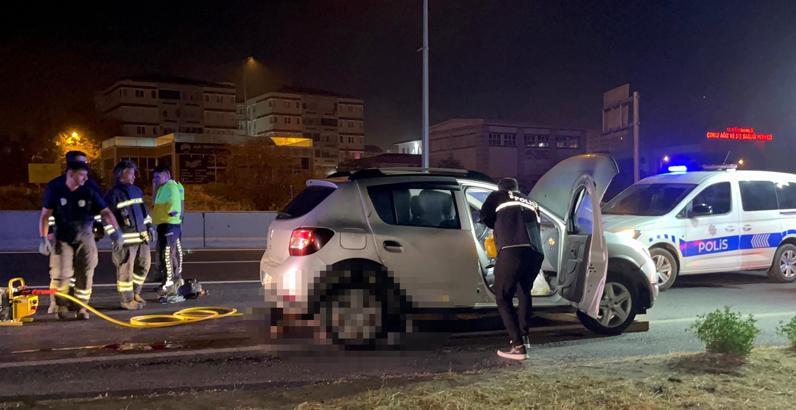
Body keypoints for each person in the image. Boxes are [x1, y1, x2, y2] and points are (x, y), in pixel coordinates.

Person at [38, 161, 124, 320]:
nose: (85, 179)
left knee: (85, 272)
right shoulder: (56, 191)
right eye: (82, 175)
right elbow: (45, 215)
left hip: (85, 236)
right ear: (71, 174)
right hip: (63, 237)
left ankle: (82, 307)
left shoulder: (89, 192)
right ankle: (61, 306)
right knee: (61, 274)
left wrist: (116, 231)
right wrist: (44, 238)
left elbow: (106, 212)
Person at [480, 177, 544, 360]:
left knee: (502, 296)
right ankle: (524, 336)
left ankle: (518, 347)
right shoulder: (530, 201)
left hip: (512, 250)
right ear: (516, 188)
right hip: (535, 253)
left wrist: (499, 226)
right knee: (524, 290)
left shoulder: (497, 196)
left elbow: (485, 217)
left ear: (500, 188)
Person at [104, 160, 155, 310]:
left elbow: (144, 212)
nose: (134, 176)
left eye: (134, 173)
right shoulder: (112, 194)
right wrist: (115, 235)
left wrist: (150, 227)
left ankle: (135, 293)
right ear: (121, 174)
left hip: (142, 237)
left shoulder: (137, 191)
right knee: (125, 271)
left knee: (144, 266)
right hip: (126, 240)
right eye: (131, 173)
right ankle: (127, 300)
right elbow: (106, 217)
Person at [151, 165, 185, 303]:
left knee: (167, 255)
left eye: (158, 177)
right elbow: (154, 203)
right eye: (154, 177)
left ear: (167, 175)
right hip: (164, 224)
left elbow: (176, 204)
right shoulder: (162, 188)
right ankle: (172, 281)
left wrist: (174, 212)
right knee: (167, 254)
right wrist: (154, 187)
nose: (155, 180)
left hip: (169, 224)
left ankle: (169, 285)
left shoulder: (171, 187)